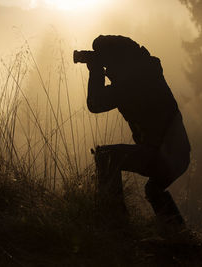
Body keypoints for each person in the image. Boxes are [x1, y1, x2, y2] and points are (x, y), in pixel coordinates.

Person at [81, 35, 191, 231]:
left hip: (164, 154)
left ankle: (116, 225)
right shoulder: (145, 72)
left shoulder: (132, 82)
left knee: (106, 157)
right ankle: (178, 234)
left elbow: (95, 104)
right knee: (154, 190)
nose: (109, 70)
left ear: (118, 60)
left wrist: (95, 71)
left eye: (108, 63)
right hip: (177, 154)